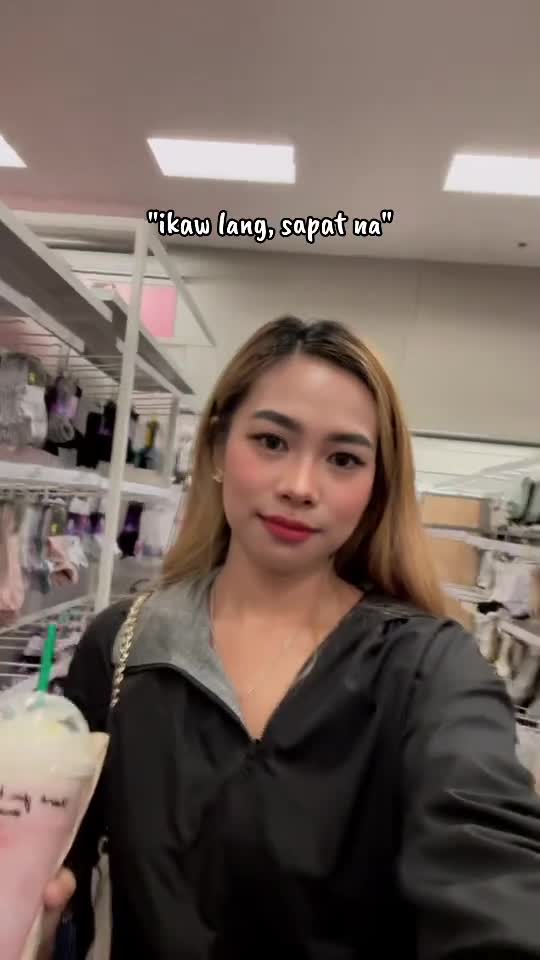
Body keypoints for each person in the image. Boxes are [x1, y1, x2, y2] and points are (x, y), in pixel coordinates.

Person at [41, 316, 540, 958]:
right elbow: (53, 858)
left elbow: (487, 852)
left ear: (376, 487)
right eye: (272, 441)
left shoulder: (428, 668)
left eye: (343, 459)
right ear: (217, 449)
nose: (300, 487)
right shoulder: (124, 646)